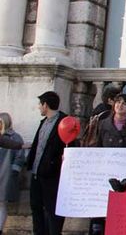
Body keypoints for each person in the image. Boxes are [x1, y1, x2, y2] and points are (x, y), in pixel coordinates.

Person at [91, 94, 126, 235]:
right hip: (104, 172)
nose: (120, 106)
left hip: (124, 174)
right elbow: (96, 147)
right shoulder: (103, 124)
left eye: (124, 103)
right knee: (101, 206)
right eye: (118, 102)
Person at [27, 91, 67, 235]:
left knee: (52, 210)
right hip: (37, 172)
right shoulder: (43, 122)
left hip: (52, 174)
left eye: (40, 104)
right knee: (36, 206)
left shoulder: (64, 121)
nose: (39, 107)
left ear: (45, 105)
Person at [0, 113, 25, 235]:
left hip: (6, 175)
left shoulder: (15, 137)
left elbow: (20, 157)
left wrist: (14, 172)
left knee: (2, 204)